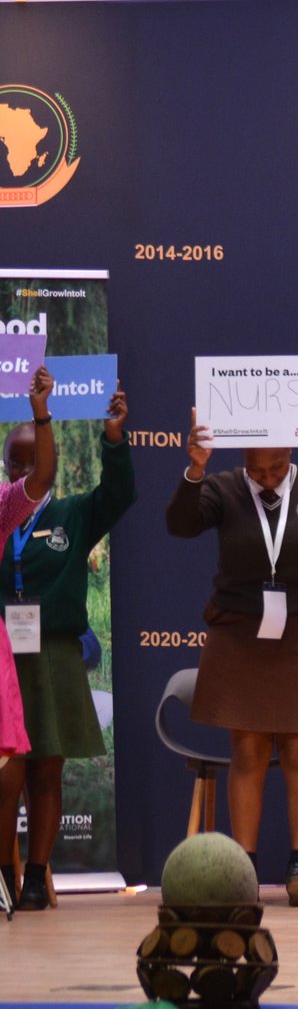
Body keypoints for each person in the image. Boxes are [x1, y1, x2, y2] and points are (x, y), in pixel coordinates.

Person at [165, 408, 298, 907]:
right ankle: (245, 868)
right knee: (250, 748)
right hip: (241, 628)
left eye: (276, 468)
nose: (266, 479)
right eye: (257, 470)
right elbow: (180, 524)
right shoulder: (222, 488)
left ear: (290, 454)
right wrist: (195, 468)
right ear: (243, 460)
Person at [0, 368, 68, 910]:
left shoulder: (3, 506)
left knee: (7, 772)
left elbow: (41, 479)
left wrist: (41, 413)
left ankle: (8, 877)